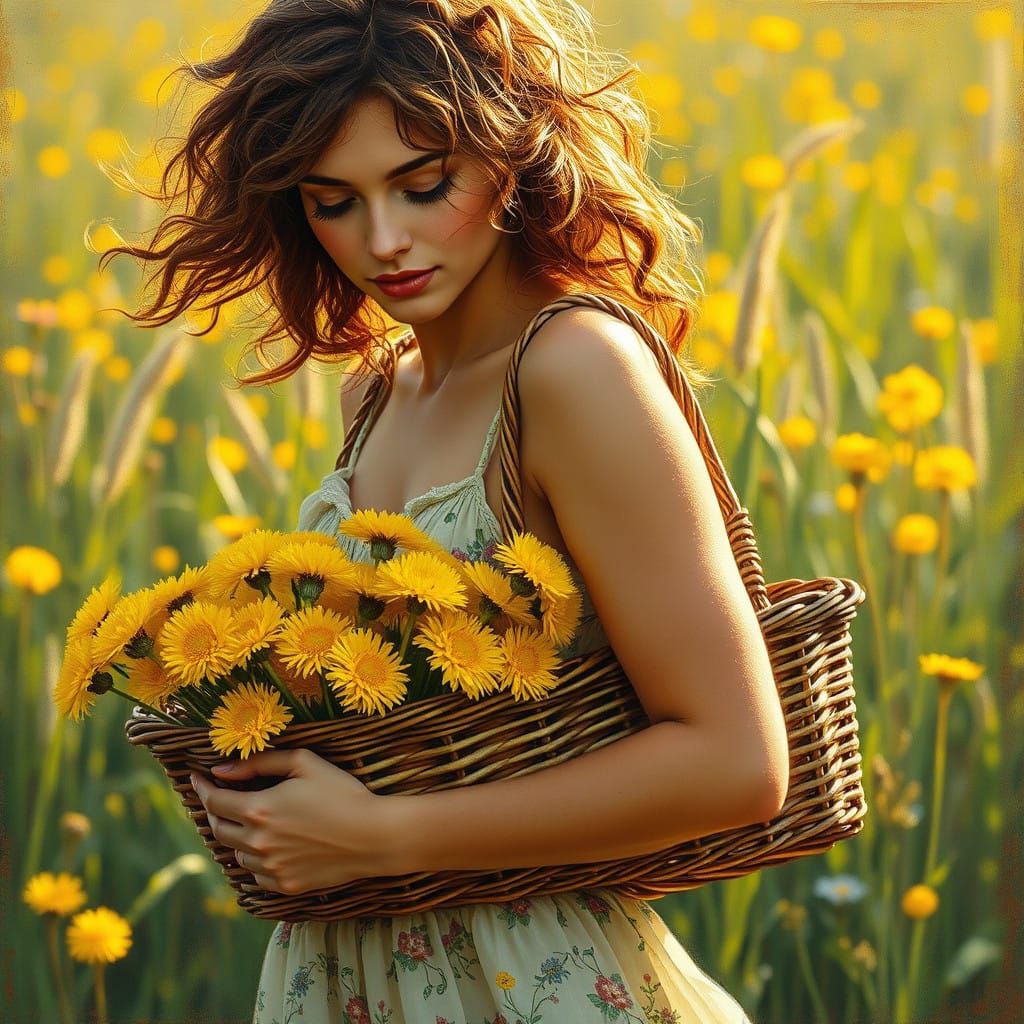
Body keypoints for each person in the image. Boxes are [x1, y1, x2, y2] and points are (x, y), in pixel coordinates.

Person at [105, 1, 790, 1021]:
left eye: (424, 186)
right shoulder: (375, 390)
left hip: (531, 983)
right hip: (344, 976)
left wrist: (385, 838)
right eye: (333, 201)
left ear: (509, 156)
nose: (384, 241)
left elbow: (738, 761)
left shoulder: (574, 370)